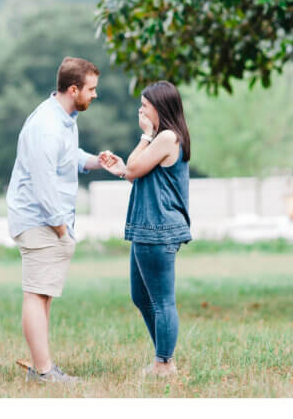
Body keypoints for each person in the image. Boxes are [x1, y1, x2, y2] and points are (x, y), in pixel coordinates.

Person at [6, 56, 114, 383]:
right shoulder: (46, 126)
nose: (95, 94)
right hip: (40, 221)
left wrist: (97, 161)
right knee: (36, 294)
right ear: (72, 89)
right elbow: (43, 181)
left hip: (47, 221)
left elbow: (66, 158)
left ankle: (43, 366)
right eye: (91, 89)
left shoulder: (65, 118)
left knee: (43, 295)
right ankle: (44, 372)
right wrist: (60, 228)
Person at [101, 80, 192, 378]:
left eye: (144, 106)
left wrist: (144, 136)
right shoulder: (161, 138)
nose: (140, 110)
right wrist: (123, 168)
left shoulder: (166, 137)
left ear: (160, 108)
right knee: (141, 297)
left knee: (162, 300)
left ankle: (163, 364)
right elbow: (132, 172)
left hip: (159, 228)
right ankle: (164, 359)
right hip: (147, 227)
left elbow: (135, 169)